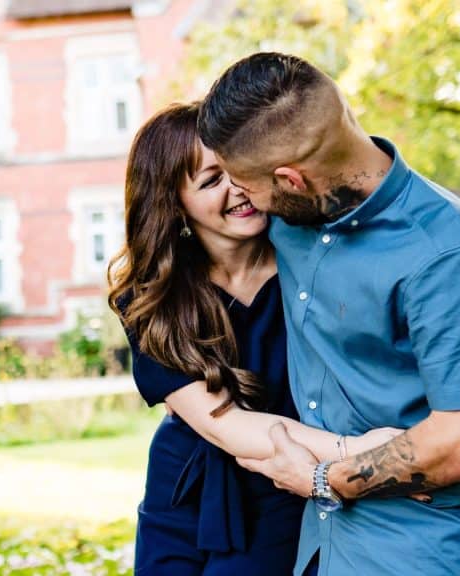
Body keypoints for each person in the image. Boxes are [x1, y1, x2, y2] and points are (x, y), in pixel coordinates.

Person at [197, 52, 460, 575]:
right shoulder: (291, 220)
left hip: (421, 553)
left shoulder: (451, 251)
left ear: (292, 180)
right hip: (322, 546)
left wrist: (323, 479)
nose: (243, 200)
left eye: (246, 186)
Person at [108, 102, 401, 575]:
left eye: (238, 168)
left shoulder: (309, 260)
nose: (237, 188)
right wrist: (360, 450)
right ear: (174, 203)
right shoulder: (153, 297)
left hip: (285, 478)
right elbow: (227, 424)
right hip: (183, 493)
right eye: (211, 181)